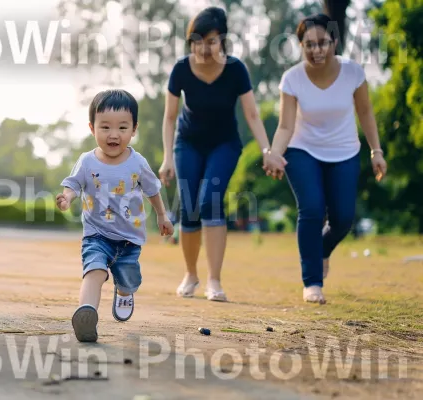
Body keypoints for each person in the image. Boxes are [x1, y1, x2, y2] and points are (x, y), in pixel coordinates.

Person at [263, 13, 388, 304]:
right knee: (311, 209)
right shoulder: (291, 79)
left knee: (343, 218)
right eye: (309, 45)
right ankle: (312, 282)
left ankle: (321, 249)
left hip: (344, 151)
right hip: (301, 149)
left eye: (322, 43)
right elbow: (285, 126)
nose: (316, 50)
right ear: (300, 46)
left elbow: (366, 113)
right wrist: (275, 154)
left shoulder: (353, 73)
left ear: (334, 42)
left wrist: (376, 150)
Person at [159, 6, 275, 301]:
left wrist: (267, 150)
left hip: (224, 144)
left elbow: (251, 113)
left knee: (210, 200)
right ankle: (190, 274)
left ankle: (214, 280)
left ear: (223, 40)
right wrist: (167, 157)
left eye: (210, 41)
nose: (203, 48)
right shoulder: (181, 69)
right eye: (196, 41)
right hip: (188, 143)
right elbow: (170, 117)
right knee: (190, 206)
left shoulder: (236, 70)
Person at [56, 89, 174, 342]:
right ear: (92, 128)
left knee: (128, 278)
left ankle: (124, 291)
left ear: (133, 129)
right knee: (93, 270)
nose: (113, 135)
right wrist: (67, 198)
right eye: (105, 127)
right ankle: (86, 313)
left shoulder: (137, 162)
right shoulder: (87, 161)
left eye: (122, 127)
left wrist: (162, 216)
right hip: (96, 235)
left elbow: (152, 190)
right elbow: (74, 185)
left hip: (129, 239)